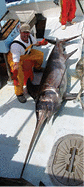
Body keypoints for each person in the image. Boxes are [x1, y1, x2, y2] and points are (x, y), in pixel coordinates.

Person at [7, 23, 48, 103]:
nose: (25, 34)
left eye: (27, 32)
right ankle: (19, 93)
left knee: (40, 55)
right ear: (20, 32)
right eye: (23, 32)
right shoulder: (16, 45)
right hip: (15, 59)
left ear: (29, 33)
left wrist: (42, 43)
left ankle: (37, 68)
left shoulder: (30, 37)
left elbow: (36, 43)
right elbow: (16, 62)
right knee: (19, 76)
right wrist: (15, 73)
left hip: (26, 53)